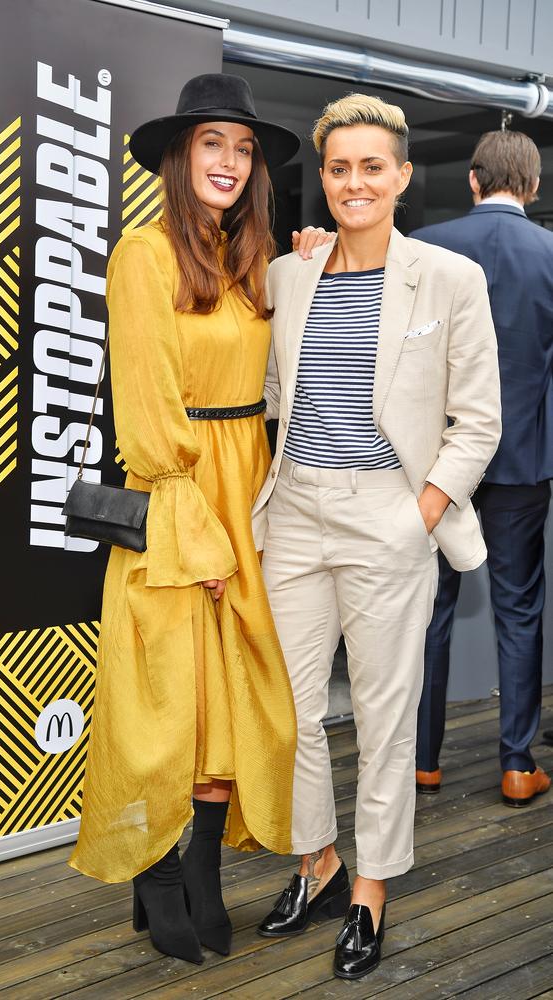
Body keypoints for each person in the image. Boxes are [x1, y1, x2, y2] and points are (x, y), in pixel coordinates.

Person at [69, 74, 325, 965]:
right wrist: (199, 529)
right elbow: (144, 410)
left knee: (244, 710)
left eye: (243, 148)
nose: (228, 161)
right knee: (172, 706)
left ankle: (204, 865)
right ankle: (161, 872)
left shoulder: (249, 261)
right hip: (183, 501)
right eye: (212, 143)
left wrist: (315, 258)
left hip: (249, 490)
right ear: (181, 157)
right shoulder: (144, 255)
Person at [252, 94, 501, 979]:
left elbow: (477, 422)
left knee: (389, 718)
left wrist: (421, 512)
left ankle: (372, 890)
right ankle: (318, 861)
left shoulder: (446, 277)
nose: (354, 182)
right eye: (338, 168)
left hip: (389, 516)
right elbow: (275, 401)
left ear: (401, 176)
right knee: (290, 709)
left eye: (370, 166)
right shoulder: (290, 276)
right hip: (294, 515)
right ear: (321, 181)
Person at [412, 131, 553, 808]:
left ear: (472, 181)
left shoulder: (425, 247)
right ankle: (518, 764)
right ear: (532, 186)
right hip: (523, 463)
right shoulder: (552, 254)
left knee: (429, 607)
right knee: (519, 609)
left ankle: (424, 760)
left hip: (436, 465)